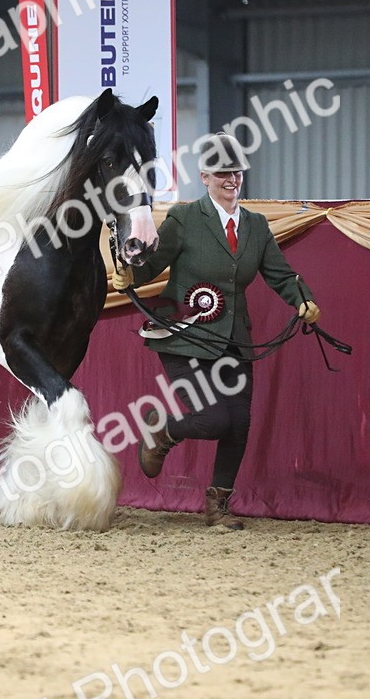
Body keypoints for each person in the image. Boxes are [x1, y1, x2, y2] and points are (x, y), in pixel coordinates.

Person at [113, 133, 320, 530]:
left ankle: (218, 507)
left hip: (235, 340)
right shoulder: (185, 219)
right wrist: (129, 274)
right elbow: (153, 265)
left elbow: (280, 275)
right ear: (205, 176)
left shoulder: (256, 227)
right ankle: (161, 429)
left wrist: (302, 300)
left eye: (236, 172)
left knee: (238, 425)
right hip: (185, 337)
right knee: (211, 420)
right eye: (223, 172)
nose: (232, 179)